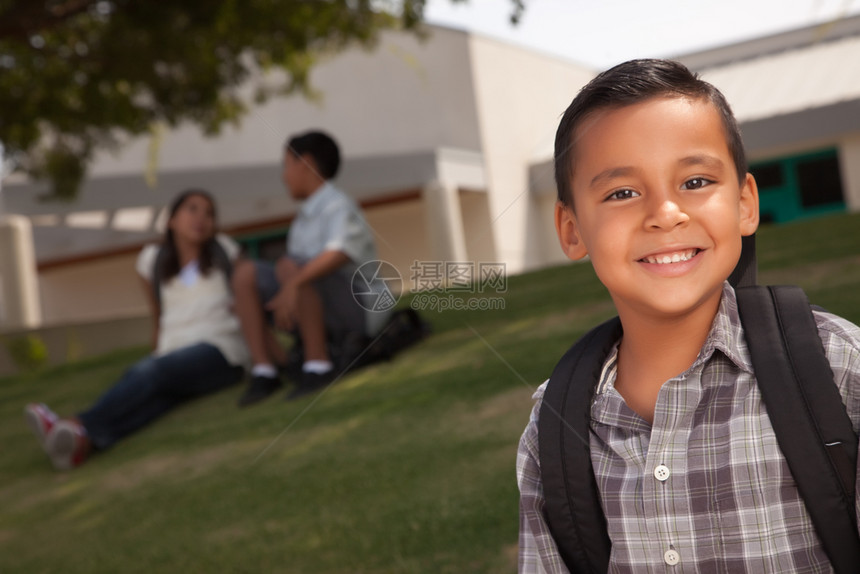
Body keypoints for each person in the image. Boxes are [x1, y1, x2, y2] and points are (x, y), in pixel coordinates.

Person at [517, 59, 860, 572]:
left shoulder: (839, 368)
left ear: (745, 203)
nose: (665, 213)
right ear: (571, 230)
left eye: (695, 181)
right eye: (622, 193)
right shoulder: (555, 428)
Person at [24, 189, 248, 470]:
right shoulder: (152, 261)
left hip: (222, 350)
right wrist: (156, 352)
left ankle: (73, 425)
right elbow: (158, 317)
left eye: (209, 213)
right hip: (172, 351)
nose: (201, 218)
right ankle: (81, 444)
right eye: (192, 209)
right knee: (155, 399)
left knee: (148, 373)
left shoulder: (224, 251)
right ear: (171, 220)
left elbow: (249, 297)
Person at [233, 130, 389, 406]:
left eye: (286, 166)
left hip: (360, 308)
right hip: (322, 307)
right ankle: (265, 370)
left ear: (304, 163)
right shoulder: (302, 220)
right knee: (246, 274)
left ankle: (319, 366)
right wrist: (288, 279)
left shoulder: (339, 205)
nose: (283, 176)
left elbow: (339, 253)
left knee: (296, 268)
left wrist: (293, 282)